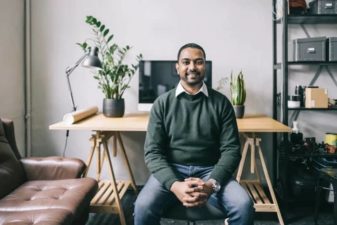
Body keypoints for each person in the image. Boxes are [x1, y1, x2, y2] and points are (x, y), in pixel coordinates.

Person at [134, 43, 254, 225]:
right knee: (142, 207)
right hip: (171, 168)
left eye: (198, 62)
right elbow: (153, 152)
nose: (192, 67)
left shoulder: (221, 103)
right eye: (186, 62)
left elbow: (231, 150)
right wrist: (174, 185)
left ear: (204, 66)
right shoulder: (162, 103)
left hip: (210, 170)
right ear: (177, 67)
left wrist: (211, 184)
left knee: (243, 205)